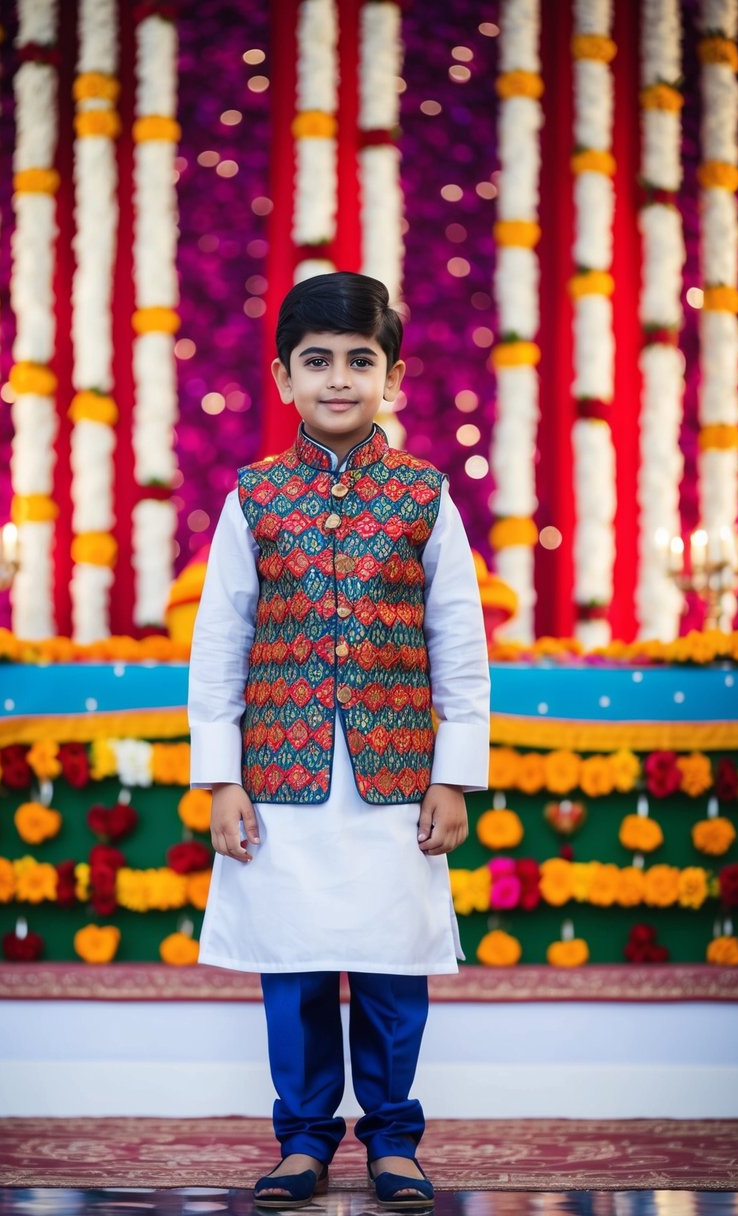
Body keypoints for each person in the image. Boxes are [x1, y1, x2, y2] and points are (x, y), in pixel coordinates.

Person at [188, 271, 490, 1209]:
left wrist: (455, 777)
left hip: (396, 781)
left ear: (391, 379)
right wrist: (219, 777)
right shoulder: (252, 498)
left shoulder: (426, 496)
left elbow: (460, 645)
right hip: (279, 782)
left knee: (396, 976)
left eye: (360, 362)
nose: (338, 380)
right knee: (298, 977)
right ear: (283, 377)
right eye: (317, 362)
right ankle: (304, 1140)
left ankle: (393, 1141)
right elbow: (220, 642)